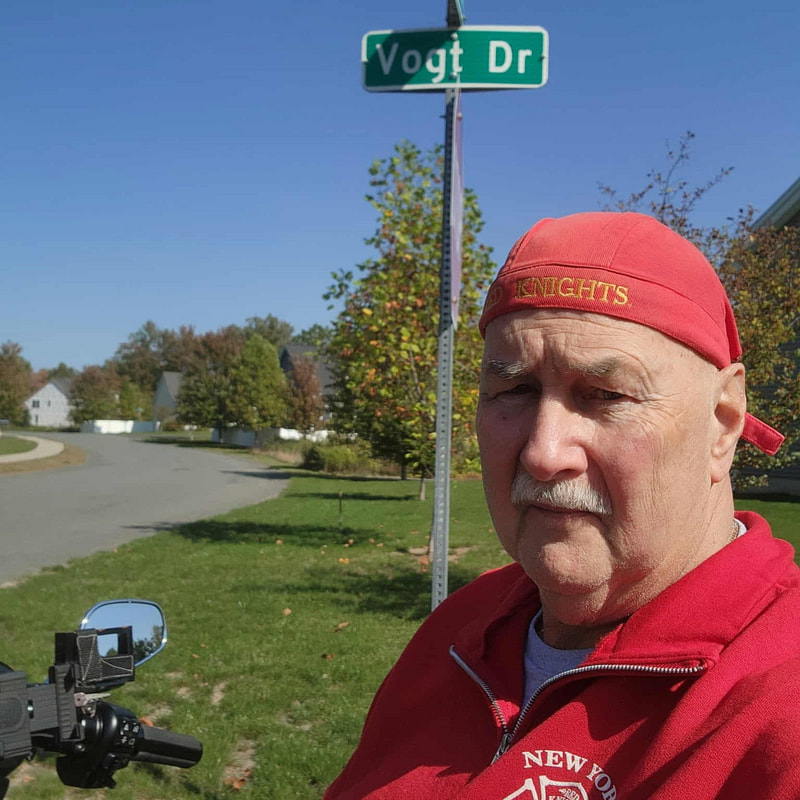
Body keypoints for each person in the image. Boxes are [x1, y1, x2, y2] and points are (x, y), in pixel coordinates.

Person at [323, 212, 800, 800]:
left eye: (606, 394)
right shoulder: (460, 627)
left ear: (723, 424)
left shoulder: (781, 710)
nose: (543, 453)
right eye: (514, 390)